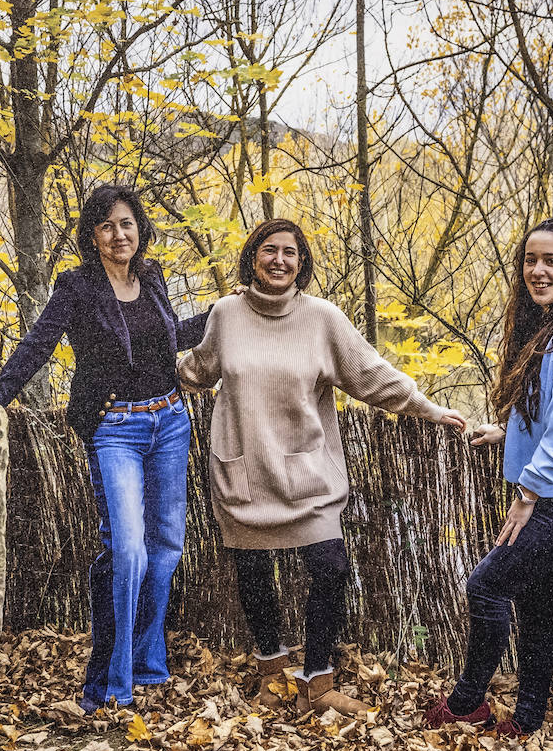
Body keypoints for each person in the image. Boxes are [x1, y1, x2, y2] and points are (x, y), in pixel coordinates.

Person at [178, 218, 467, 717]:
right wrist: (134, 366)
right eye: (270, 250)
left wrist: (429, 408)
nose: (280, 261)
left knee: (330, 567)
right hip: (244, 471)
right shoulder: (225, 314)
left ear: (302, 263)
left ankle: (317, 680)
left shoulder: (322, 319)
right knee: (252, 572)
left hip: (307, 477)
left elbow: (370, 374)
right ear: (253, 257)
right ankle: (271, 671)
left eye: (290, 253)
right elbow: (196, 370)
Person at [0, 184, 209, 712]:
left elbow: (171, 337)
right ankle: (109, 682)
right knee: (127, 551)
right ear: (93, 234)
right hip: (114, 429)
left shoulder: (152, 278)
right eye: (107, 225)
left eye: (127, 223)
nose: (119, 234)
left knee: (165, 550)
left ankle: (147, 667)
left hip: (170, 423)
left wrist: (227, 312)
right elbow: (38, 344)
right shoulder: (77, 287)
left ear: (140, 229)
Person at [424, 216, 553, 738]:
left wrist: (527, 494)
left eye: (550, 260)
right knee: (536, 601)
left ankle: (467, 704)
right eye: (530, 260)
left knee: (487, 585)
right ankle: (528, 720)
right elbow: (552, 416)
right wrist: (506, 434)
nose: (537, 270)